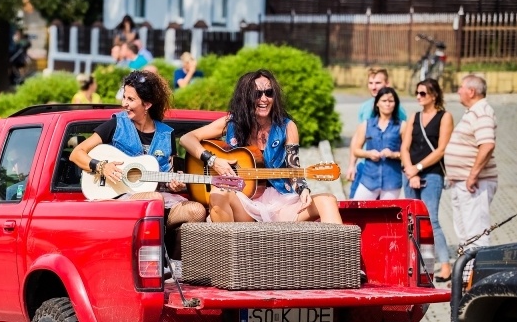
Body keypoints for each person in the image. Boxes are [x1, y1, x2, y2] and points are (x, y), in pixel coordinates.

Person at [180, 69, 342, 224]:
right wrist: (213, 161)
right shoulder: (231, 123)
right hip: (243, 201)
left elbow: (294, 167)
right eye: (257, 94)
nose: (264, 99)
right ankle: (229, 249)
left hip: (279, 201)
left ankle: (341, 252)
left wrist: (303, 188)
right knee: (217, 194)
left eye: (269, 93)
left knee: (327, 201)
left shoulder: (287, 126)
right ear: (246, 97)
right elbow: (187, 138)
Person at [70, 69, 206, 231]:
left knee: (196, 211)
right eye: (124, 97)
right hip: (119, 197)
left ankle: (166, 249)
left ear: (147, 104)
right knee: (154, 200)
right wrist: (101, 166)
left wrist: (175, 184)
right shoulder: (116, 125)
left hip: (159, 200)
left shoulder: (166, 134)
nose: (124, 103)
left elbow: (170, 175)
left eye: (130, 99)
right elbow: (76, 153)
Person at [401, 78, 454, 282]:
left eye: (422, 93)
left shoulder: (444, 117)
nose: (418, 97)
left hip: (431, 173)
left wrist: (419, 168)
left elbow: (441, 149)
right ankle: (419, 265)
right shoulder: (414, 116)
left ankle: (444, 266)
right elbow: (405, 147)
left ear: (434, 95)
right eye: (417, 93)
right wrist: (410, 171)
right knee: (412, 220)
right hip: (410, 174)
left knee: (431, 220)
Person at [444, 74, 498, 250]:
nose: (458, 91)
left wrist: (473, 175)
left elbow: (487, 145)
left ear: (472, 91)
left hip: (475, 184)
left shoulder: (482, 112)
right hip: (462, 182)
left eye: (461, 87)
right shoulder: (473, 112)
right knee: (465, 234)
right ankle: (467, 275)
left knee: (476, 234)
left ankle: (477, 274)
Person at [347, 68, 407, 197]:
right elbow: (357, 137)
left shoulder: (397, 110)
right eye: (371, 83)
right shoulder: (364, 107)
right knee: (354, 205)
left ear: (387, 83)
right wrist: (351, 164)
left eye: (378, 83)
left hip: (388, 170)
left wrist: (396, 156)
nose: (374, 87)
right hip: (364, 166)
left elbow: (405, 142)